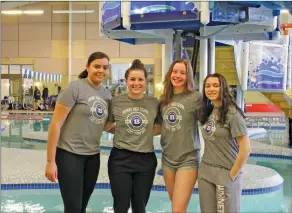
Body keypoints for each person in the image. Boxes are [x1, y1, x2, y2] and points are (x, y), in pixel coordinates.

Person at [45, 52, 111, 213]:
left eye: (105, 67)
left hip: (92, 157)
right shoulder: (75, 87)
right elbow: (56, 124)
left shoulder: (106, 94)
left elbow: (103, 125)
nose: (100, 70)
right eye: (96, 66)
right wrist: (50, 161)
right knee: (73, 208)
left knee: (81, 207)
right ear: (87, 67)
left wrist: (137, 129)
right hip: (69, 154)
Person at [104, 59, 160, 213]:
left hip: (146, 160)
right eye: (133, 79)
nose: (137, 83)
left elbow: (160, 127)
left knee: (139, 207)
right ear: (126, 81)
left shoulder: (154, 102)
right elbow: (107, 126)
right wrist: (124, 129)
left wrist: (142, 131)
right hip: (120, 159)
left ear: (146, 81)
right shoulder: (116, 102)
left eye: (140, 79)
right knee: (121, 206)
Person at [198, 73, 251, 213]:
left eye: (216, 85)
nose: (211, 89)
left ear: (224, 88)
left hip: (226, 172)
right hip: (206, 171)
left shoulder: (233, 114)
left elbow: (245, 149)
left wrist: (231, 176)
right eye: (207, 86)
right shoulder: (208, 111)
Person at [159, 59, 202, 212]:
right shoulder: (164, 100)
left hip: (188, 159)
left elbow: (208, 121)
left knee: (177, 208)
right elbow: (158, 128)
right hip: (168, 159)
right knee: (176, 205)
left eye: (182, 73)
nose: (177, 75)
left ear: (188, 76)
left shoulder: (196, 97)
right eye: (175, 71)